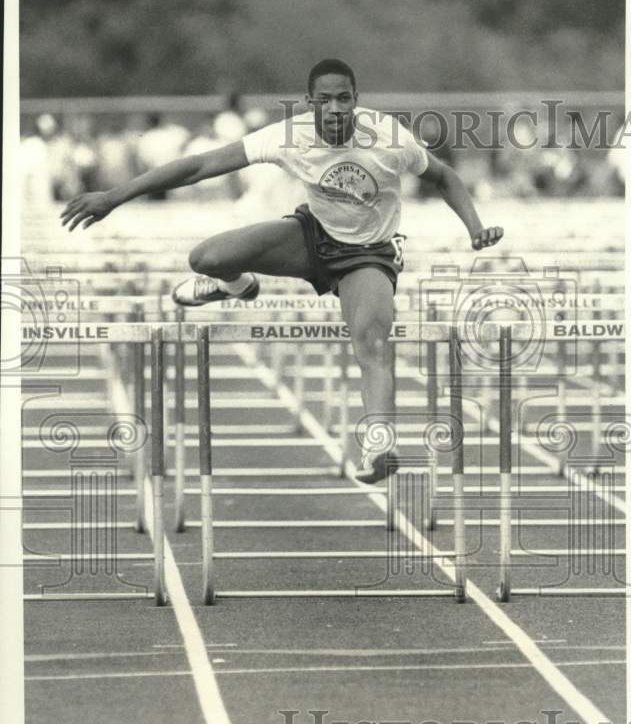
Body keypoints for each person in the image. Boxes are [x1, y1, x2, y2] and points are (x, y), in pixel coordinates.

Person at [60, 59, 504, 483]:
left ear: (356, 99)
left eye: (344, 99)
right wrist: (114, 196)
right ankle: (238, 285)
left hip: (368, 253)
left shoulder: (390, 138)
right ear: (309, 102)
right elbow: (199, 166)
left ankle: (378, 445)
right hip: (313, 237)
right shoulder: (287, 136)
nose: (335, 109)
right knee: (207, 258)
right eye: (325, 100)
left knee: (371, 339)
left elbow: (445, 177)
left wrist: (475, 228)